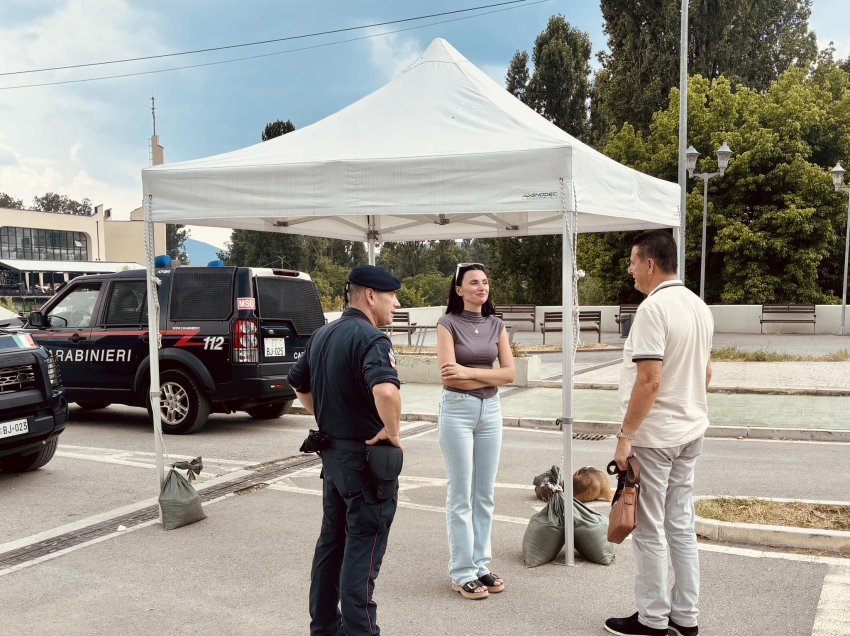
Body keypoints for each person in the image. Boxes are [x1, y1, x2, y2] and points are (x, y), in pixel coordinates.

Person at [604, 231, 713, 636]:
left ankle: (651, 619)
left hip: (655, 436)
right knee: (681, 525)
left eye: (633, 261)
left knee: (648, 530)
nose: (630, 269)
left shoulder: (653, 309)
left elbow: (649, 379)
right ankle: (686, 616)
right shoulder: (699, 306)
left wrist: (625, 435)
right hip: (691, 429)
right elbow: (706, 373)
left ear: (650, 264)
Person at [287, 264, 404, 636]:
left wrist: (325, 413)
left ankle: (324, 627)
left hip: (334, 458)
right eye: (392, 296)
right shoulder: (372, 339)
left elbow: (297, 383)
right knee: (362, 552)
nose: (397, 304)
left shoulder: (323, 334)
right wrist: (392, 431)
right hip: (365, 463)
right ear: (371, 295)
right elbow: (385, 390)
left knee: (331, 546)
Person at [436, 263, 515, 600]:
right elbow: (447, 378)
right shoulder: (447, 323)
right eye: (473, 282)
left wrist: (469, 370)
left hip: (491, 411)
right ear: (459, 290)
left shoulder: (497, 324)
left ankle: (481, 565)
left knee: (484, 495)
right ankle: (462, 572)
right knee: (461, 494)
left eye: (485, 281)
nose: (481, 287)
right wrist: (487, 373)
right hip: (457, 411)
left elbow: (510, 374)